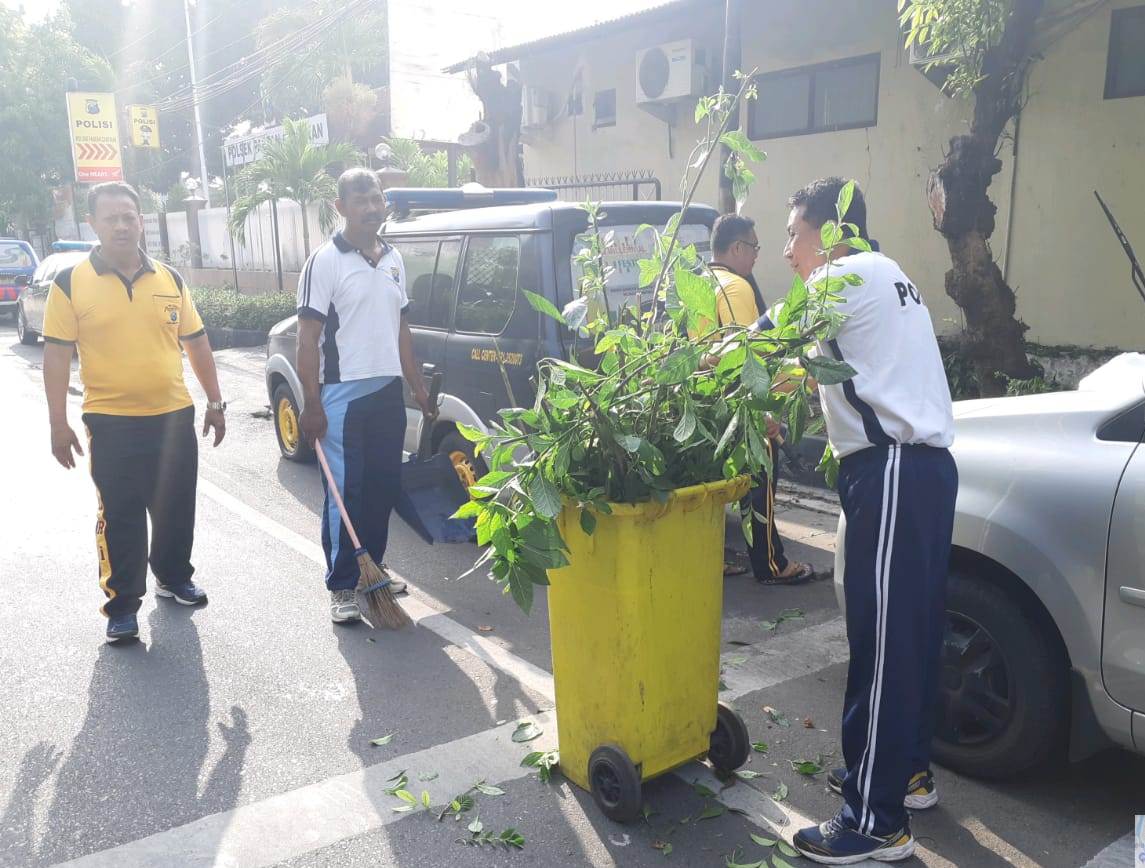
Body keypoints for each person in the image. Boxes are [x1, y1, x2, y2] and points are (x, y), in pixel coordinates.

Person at [770, 179, 956, 864]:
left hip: (893, 472)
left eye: (792, 235)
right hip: (924, 471)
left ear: (829, 231)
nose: (788, 252)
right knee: (909, 632)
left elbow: (764, 350)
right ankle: (904, 774)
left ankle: (872, 821)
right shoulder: (888, 274)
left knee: (880, 645)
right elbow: (816, 367)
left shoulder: (838, 275)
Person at [42, 181, 225, 644]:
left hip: (173, 416)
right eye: (111, 218)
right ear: (93, 224)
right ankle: (122, 605)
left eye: (130, 216)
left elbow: (197, 342)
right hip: (111, 420)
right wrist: (58, 423)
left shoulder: (170, 280)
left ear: (141, 220)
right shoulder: (70, 284)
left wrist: (216, 401)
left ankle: (173, 576)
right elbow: (57, 357)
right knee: (120, 513)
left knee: (175, 506)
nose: (122, 225)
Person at [296, 168, 432, 624]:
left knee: (382, 485)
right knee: (345, 493)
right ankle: (341, 585)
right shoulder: (325, 261)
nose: (372, 207)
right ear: (341, 207)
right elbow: (307, 336)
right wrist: (311, 404)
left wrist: (416, 386)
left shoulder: (393, 258)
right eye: (361, 200)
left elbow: (401, 328)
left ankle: (371, 569)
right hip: (342, 396)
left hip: (387, 392)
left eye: (376, 198)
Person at [709, 214, 813, 585]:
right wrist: (763, 414)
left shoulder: (695, 282)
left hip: (700, 407)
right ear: (736, 248)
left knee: (708, 487)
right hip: (733, 407)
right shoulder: (735, 287)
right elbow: (747, 354)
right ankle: (771, 564)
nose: (756, 256)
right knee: (760, 477)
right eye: (753, 247)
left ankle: (707, 557)